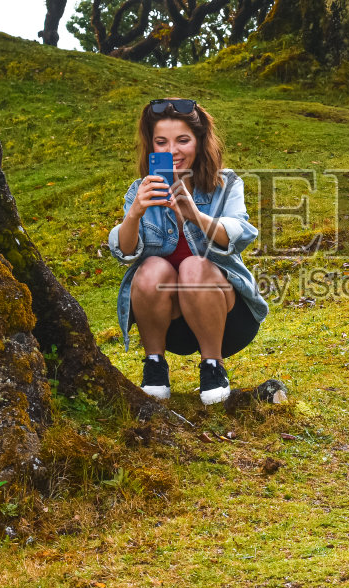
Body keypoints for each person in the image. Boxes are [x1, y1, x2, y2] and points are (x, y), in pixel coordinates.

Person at [108, 98, 267, 404]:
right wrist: (135, 213)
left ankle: (213, 366)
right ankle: (154, 365)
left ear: (199, 141)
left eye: (182, 140)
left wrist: (196, 214)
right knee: (151, 266)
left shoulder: (226, 184)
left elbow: (240, 235)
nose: (172, 151)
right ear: (151, 147)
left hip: (227, 317)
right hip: (170, 323)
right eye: (161, 142)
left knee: (194, 266)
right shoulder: (139, 189)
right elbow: (124, 252)